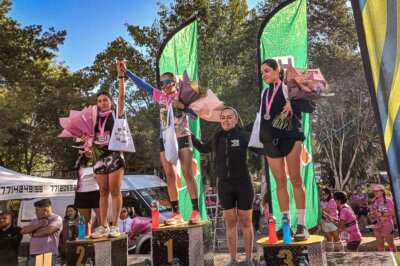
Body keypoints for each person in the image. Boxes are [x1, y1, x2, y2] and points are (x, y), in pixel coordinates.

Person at [121, 63, 200, 225]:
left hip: (182, 135)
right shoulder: (160, 97)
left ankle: (195, 210)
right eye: (161, 83)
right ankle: (176, 212)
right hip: (164, 138)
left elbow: (195, 116)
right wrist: (127, 72)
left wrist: (183, 106)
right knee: (169, 175)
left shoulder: (183, 95)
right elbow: (143, 85)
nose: (163, 86)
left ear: (173, 82)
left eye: (166, 82)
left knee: (186, 172)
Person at [191, 107, 259, 266]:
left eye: (229, 117)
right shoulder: (217, 137)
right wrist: (189, 134)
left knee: (246, 221)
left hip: (243, 183)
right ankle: (233, 259)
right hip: (224, 184)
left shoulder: (243, 136)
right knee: (230, 222)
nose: (226, 120)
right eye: (223, 118)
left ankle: (248, 259)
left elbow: (259, 149)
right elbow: (202, 148)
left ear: (235, 119)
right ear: (220, 120)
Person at [259, 59, 316, 241]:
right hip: (271, 142)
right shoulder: (264, 93)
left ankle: (302, 224)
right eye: (262, 73)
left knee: (296, 180)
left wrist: (294, 104)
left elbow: (310, 106)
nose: (264, 74)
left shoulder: (289, 87)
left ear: (278, 71)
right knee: (280, 183)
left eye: (267, 70)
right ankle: (286, 225)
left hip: (291, 137)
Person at [84, 60, 126, 238]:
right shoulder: (92, 118)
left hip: (115, 155)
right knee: (102, 192)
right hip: (99, 157)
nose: (102, 103)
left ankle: (115, 226)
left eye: (105, 100)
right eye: (99, 101)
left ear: (110, 102)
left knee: (115, 191)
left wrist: (121, 76)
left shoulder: (117, 115)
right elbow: (88, 139)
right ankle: (104, 226)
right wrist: (87, 150)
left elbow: (122, 97)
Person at [21, 199, 63, 266]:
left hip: (47, 254)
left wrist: (33, 233)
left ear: (46, 210)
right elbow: (23, 230)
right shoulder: (35, 220)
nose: (35, 212)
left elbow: (48, 231)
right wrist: (39, 225)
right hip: (33, 255)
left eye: (37, 210)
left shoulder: (56, 218)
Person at [74, 148, 101, 236]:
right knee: (84, 221)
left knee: (102, 220)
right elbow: (71, 167)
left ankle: (104, 244)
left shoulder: (99, 159)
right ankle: (82, 239)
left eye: (90, 148)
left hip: (97, 191)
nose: (88, 150)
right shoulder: (79, 160)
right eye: (86, 148)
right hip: (82, 193)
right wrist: (80, 156)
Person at [369, 184, 396, 252]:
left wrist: (381, 214)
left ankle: (395, 260)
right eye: (374, 191)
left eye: (377, 191)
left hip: (387, 225)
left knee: (391, 245)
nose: (375, 193)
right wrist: (372, 215)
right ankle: (382, 261)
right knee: (380, 245)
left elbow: (393, 213)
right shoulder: (373, 201)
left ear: (382, 191)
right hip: (377, 225)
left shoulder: (388, 200)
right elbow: (372, 214)